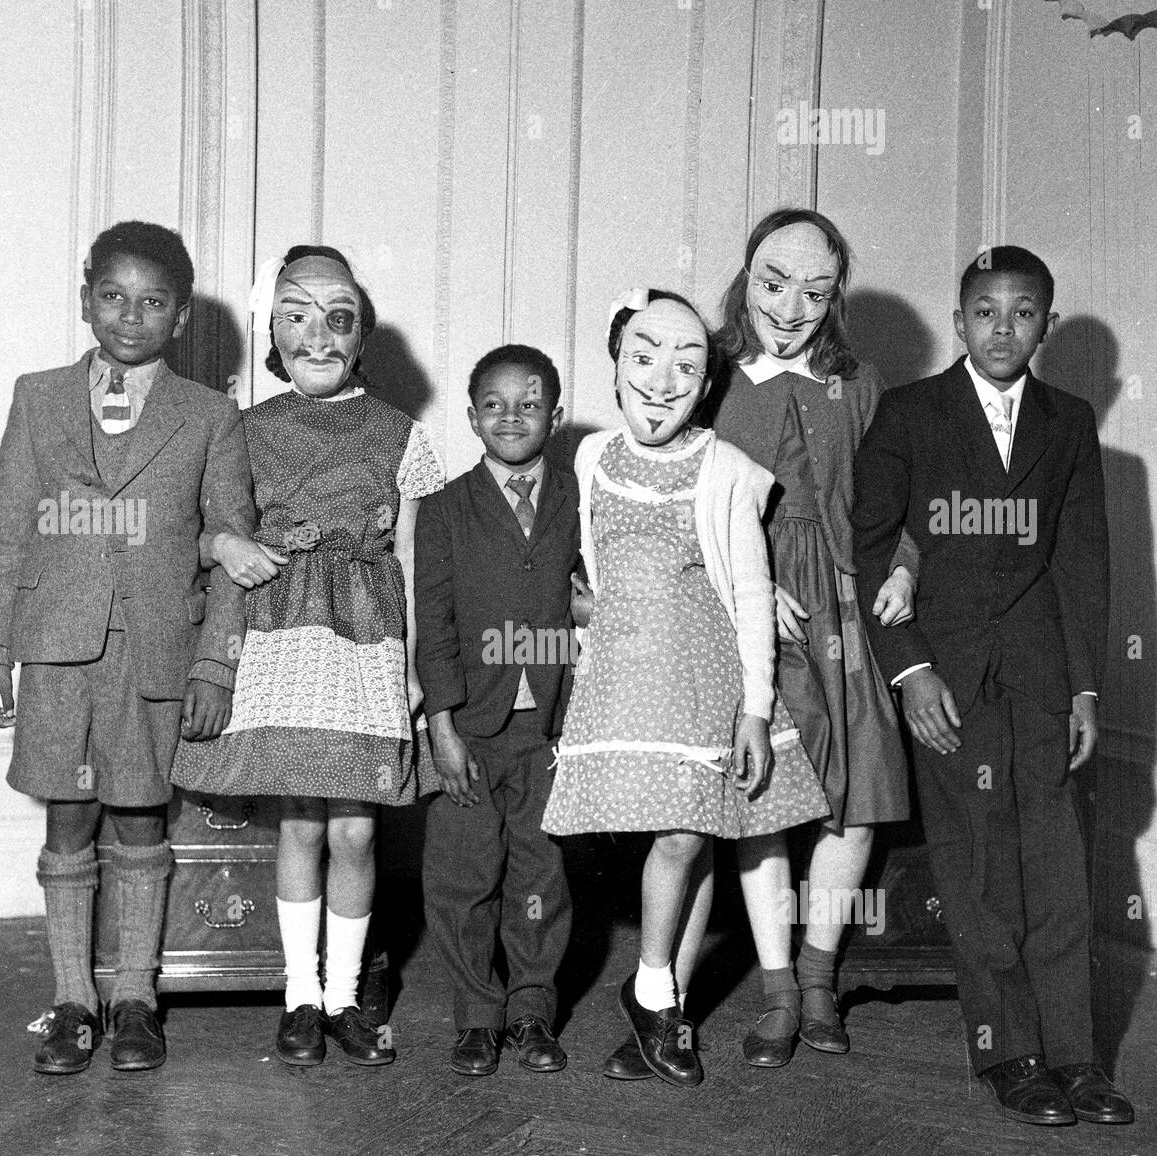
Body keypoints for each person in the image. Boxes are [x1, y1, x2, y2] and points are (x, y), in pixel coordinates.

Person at [851, 246, 1133, 1126]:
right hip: (947, 677)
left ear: (1045, 325)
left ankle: (1077, 1059)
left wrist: (1086, 686)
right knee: (977, 870)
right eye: (984, 310)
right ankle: (1009, 1052)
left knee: (1057, 865)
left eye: (1021, 312)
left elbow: (1081, 561)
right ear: (959, 317)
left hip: (1044, 675)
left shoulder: (1068, 421)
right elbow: (867, 547)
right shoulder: (909, 413)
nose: (1001, 327)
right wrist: (909, 669)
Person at [0, 220, 254, 1074]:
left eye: (153, 302)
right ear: (86, 297)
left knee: (139, 816)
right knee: (69, 816)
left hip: (154, 654)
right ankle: (71, 1002)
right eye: (113, 296)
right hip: (56, 649)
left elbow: (234, 548)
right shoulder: (37, 397)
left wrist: (214, 664)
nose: (131, 316)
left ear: (179, 320)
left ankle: (136, 997)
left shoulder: (208, 416)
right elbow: (9, 533)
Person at [542, 288, 827, 1086]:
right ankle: (662, 1017)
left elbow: (748, 594)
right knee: (685, 843)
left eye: (685, 366)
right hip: (627, 678)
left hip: (705, 678)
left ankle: (652, 994)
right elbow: (566, 564)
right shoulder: (588, 457)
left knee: (689, 836)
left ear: (706, 385)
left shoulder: (727, 469)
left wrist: (756, 707)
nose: (662, 382)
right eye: (643, 359)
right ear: (615, 369)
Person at [171, 245, 444, 1069]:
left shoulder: (403, 434)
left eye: (338, 318)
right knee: (298, 821)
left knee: (356, 831)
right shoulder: (243, 430)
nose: (318, 337)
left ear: (361, 335)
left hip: (367, 642)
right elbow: (191, 535)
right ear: (273, 333)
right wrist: (225, 546)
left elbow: (417, 564)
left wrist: (417, 668)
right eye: (297, 316)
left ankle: (344, 997)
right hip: (280, 634)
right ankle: (298, 996)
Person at [712, 208, 918, 1067]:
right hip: (745, 610)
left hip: (846, 605)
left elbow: (897, 495)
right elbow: (683, 501)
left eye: (815, 289)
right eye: (772, 282)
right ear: (744, 278)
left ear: (835, 296)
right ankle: (777, 993)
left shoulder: (860, 381)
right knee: (763, 798)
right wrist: (748, 592)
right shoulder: (709, 373)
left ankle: (822, 976)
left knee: (856, 794)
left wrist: (902, 566)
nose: (790, 306)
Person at [415, 345, 581, 1076]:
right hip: (469, 727)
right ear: (472, 416)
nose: (511, 416)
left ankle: (532, 1011)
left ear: (556, 413)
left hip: (552, 724)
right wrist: (441, 729)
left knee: (540, 876)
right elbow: (435, 620)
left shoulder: (581, 496)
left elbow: (593, 596)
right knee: (462, 875)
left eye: (530, 401)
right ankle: (477, 1015)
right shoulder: (446, 508)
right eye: (494, 404)